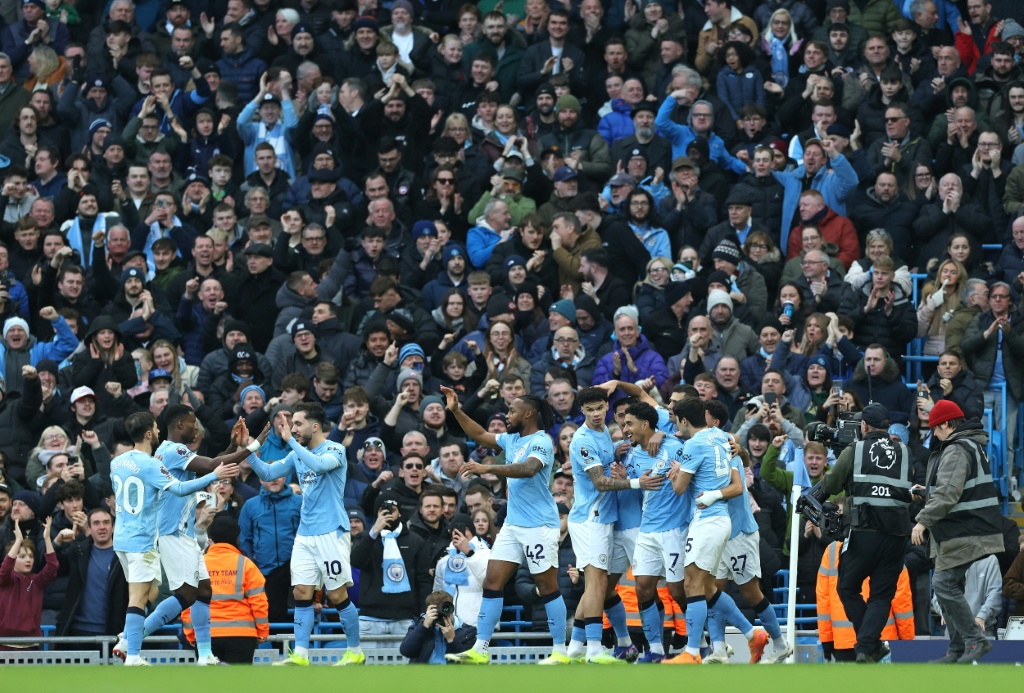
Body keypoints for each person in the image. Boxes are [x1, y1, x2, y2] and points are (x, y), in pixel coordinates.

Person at [112, 404, 255, 663]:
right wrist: (256, 445)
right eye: (192, 422)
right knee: (187, 593)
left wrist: (233, 446)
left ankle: (205, 655)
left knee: (204, 590)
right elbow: (212, 467)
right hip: (172, 531)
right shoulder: (173, 450)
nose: (197, 427)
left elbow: (211, 466)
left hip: (180, 531)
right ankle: (131, 640)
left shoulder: (167, 453)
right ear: (179, 425)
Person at [440, 385, 569, 665]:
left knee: (547, 586)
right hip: (513, 525)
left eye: (512, 410)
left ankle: (560, 650)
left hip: (539, 526)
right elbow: (479, 434)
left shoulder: (541, 441)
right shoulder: (511, 440)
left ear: (528, 413)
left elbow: (529, 469)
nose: (507, 415)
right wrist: (457, 410)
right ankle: (480, 649)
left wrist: (487, 468)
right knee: (492, 581)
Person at [244, 402, 364, 666]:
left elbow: (319, 466)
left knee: (337, 595)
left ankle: (355, 650)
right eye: (291, 424)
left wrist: (291, 442)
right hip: (305, 534)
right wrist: (248, 449)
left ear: (315, 426)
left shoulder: (335, 449)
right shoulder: (297, 453)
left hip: (331, 531)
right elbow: (267, 472)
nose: (292, 428)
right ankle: (300, 654)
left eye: (297, 423)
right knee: (300, 592)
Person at [665, 397, 767, 665]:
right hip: (720, 519)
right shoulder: (722, 436)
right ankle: (751, 633)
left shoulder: (693, 444)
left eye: (677, 421)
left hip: (708, 519)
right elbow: (736, 447)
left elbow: (679, 489)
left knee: (692, 584)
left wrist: (674, 473)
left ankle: (691, 653)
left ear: (684, 420)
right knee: (708, 587)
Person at [565, 387, 661, 664]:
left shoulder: (605, 433)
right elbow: (599, 482)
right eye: (590, 410)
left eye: (600, 408)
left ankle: (577, 648)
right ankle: (594, 649)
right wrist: (637, 482)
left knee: (602, 587)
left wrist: (618, 453)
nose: (596, 414)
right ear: (581, 410)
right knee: (596, 584)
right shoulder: (583, 440)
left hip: (607, 520)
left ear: (606, 406)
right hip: (590, 519)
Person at [811, 403, 911, 663]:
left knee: (847, 587)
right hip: (897, 534)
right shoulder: (904, 451)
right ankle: (867, 646)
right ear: (888, 426)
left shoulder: (855, 450)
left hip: (865, 532)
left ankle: (869, 644)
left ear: (864, 426)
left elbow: (831, 483)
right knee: (882, 595)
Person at [911, 400, 1002, 664]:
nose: (934, 434)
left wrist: (922, 521)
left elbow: (949, 494)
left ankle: (975, 640)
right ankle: (956, 650)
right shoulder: (971, 445)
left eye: (935, 428)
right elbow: (957, 489)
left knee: (943, 584)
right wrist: (927, 493)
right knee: (951, 586)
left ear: (947, 424)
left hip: (965, 529)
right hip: (971, 528)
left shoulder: (957, 449)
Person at [615, 400, 686, 663]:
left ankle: (702, 642)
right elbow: (636, 484)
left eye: (629, 424)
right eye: (623, 424)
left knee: (678, 592)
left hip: (675, 529)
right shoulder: (631, 455)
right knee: (643, 589)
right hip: (647, 530)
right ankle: (655, 649)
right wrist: (625, 479)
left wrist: (663, 433)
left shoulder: (675, 447)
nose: (625, 429)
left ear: (646, 425)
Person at [181, 515, 269, 664]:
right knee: (238, 679)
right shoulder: (246, 564)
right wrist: (262, 631)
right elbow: (259, 602)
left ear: (210, 538)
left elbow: (187, 603)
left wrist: (190, 633)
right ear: (237, 538)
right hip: (241, 634)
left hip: (205, 635)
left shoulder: (197, 564)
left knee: (210, 679)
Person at [0, 515, 56, 646]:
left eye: (31, 556)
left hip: (30, 643)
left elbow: (52, 567)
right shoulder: (6, 580)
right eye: (22, 556)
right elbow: (5, 568)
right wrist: (18, 541)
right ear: (13, 559)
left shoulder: (37, 581)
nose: (28, 560)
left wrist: (47, 539)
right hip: (4, 643)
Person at [400, 589, 477, 664]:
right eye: (435, 610)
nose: (441, 614)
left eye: (445, 609)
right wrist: (424, 627)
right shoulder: (418, 627)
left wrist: (451, 639)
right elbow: (406, 651)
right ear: (428, 611)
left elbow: (467, 663)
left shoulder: (468, 632)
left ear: (452, 609)